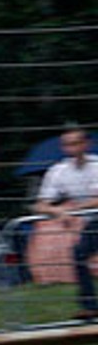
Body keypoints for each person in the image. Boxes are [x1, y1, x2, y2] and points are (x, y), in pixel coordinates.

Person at [32, 126, 98, 323]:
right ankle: (90, 306)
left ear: (87, 144)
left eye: (76, 143)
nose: (72, 148)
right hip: (92, 221)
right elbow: (40, 204)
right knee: (79, 253)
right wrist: (58, 210)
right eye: (68, 144)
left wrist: (72, 209)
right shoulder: (58, 171)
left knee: (80, 252)